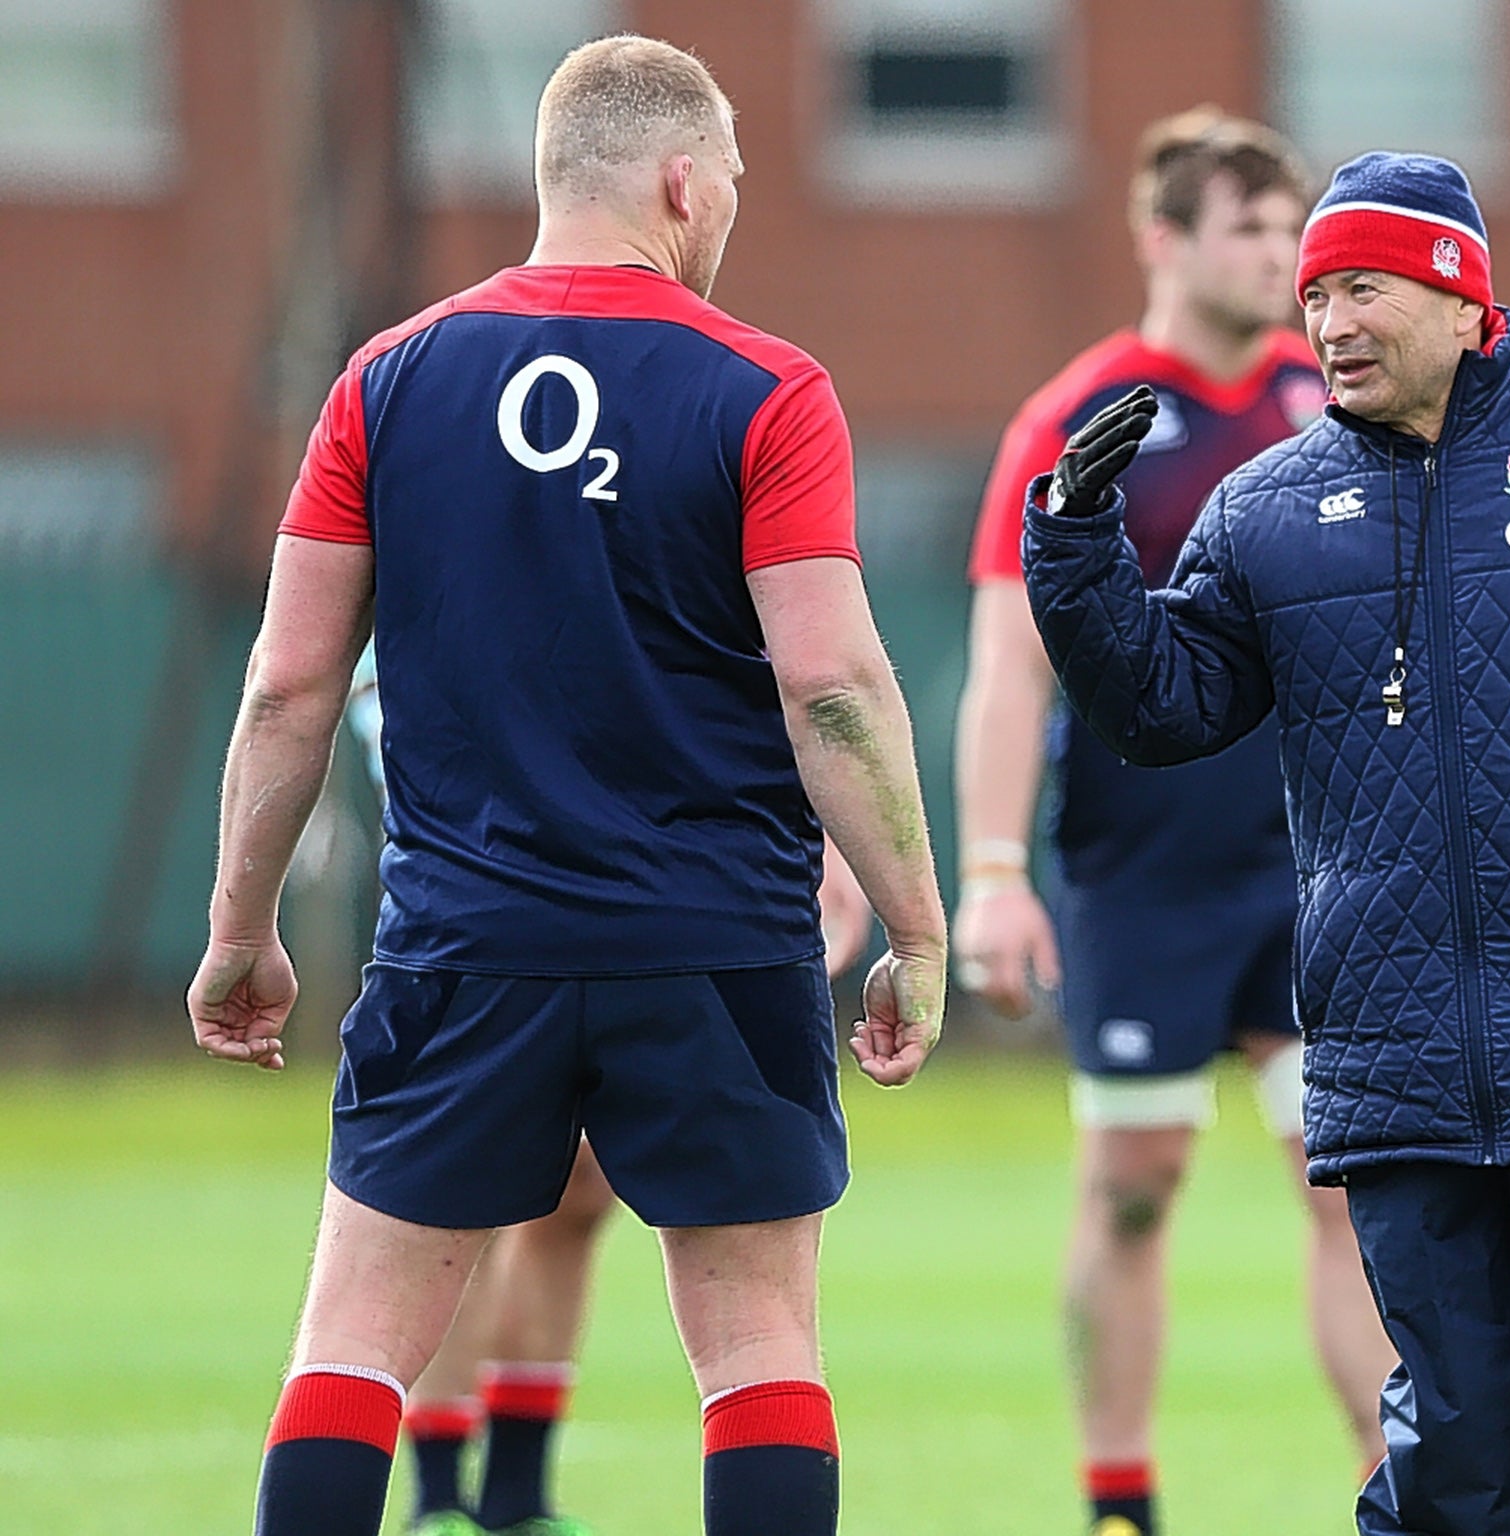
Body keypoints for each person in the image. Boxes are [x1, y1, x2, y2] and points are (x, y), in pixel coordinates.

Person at [185, 35, 945, 1536]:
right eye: (728, 178)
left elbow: (285, 686)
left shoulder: (385, 382)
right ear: (678, 176)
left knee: (353, 1347)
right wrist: (919, 930)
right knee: (755, 1348)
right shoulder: (766, 388)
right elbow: (835, 687)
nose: (729, 209)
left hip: (468, 947)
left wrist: (238, 930)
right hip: (715, 944)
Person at [1020, 151, 1510, 1536]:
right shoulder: (1266, 509)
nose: (1327, 324)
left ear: (1460, 297)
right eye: (1315, 295)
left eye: (1363, 289)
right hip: (1393, 1067)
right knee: (1446, 1462)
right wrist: (1077, 549)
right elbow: (1163, 706)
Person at [954, 108, 1395, 1536]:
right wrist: (993, 872)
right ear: (1166, 239)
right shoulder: (1079, 420)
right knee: (1135, 1183)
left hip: (1315, 865)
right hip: (1139, 871)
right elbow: (1011, 667)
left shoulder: (1329, 410)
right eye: (1253, 230)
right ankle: (1118, 1504)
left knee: (1346, 1187)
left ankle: (1399, 1495)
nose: (1283, 258)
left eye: (1293, 231)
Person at [345, 653, 873, 1536]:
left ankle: (517, 1493)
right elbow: (359, 676)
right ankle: (439, 1495)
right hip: (490, 876)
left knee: (578, 1194)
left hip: (642, 881)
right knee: (451, 1202)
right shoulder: (442, 517)